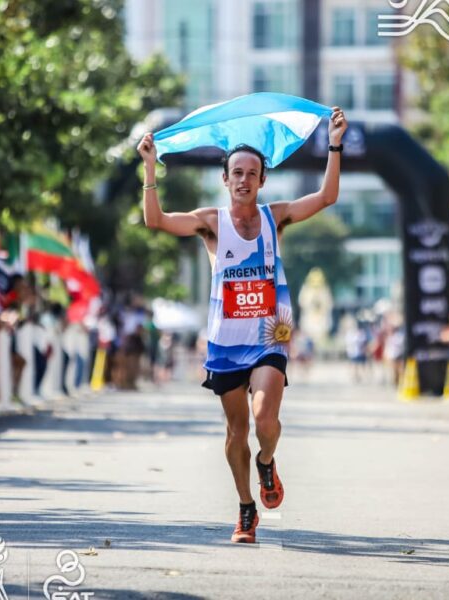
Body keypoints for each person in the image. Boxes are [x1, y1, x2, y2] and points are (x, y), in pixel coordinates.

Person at [136, 105, 347, 543]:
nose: (244, 179)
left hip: (272, 333)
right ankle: (246, 507)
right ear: (226, 179)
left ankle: (267, 463)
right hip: (226, 342)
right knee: (237, 430)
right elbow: (155, 220)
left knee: (264, 418)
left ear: (262, 180)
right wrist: (150, 168)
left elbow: (326, 197)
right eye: (237, 172)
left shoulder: (277, 217)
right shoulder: (211, 223)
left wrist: (334, 143)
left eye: (253, 172)